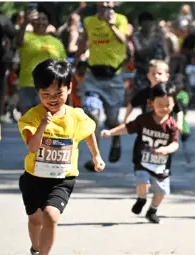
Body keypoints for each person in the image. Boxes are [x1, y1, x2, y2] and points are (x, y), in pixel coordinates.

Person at [18, 59, 105, 255]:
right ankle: (36, 251)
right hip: (34, 177)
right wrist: (43, 126)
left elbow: (88, 132)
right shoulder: (32, 117)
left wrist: (96, 156)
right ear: (38, 92)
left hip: (62, 178)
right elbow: (32, 147)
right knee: (35, 219)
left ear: (69, 88)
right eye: (46, 94)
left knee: (50, 215)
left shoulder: (76, 116)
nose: (52, 99)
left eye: (58, 93)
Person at [100, 83, 179, 224]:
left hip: (161, 164)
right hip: (142, 160)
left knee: (161, 192)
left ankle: (152, 210)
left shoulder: (172, 125)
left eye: (168, 105)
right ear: (151, 103)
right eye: (160, 104)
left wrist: (166, 150)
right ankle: (142, 198)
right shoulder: (144, 119)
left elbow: (175, 143)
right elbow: (127, 128)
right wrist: (111, 132)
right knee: (143, 181)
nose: (164, 108)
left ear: (174, 104)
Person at [76, 1, 130, 168]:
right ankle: (96, 156)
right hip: (93, 76)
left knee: (113, 119)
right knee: (92, 114)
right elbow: (83, 42)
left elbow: (123, 41)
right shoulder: (89, 21)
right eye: (103, 2)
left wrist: (111, 25)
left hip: (114, 77)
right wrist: (75, 63)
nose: (106, 5)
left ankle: (116, 140)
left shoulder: (121, 19)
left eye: (109, 3)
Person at [16, 8, 67, 115]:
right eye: (38, 19)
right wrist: (25, 22)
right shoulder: (26, 36)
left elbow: (64, 64)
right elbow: (18, 42)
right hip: (27, 84)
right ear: (32, 21)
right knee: (27, 123)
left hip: (49, 87)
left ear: (48, 22)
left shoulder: (56, 42)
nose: (40, 22)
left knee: (45, 122)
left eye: (44, 19)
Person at [132, 12, 168, 93]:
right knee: (143, 97)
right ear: (141, 24)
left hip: (158, 73)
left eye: (150, 22)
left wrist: (164, 68)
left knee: (159, 97)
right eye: (145, 23)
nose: (148, 25)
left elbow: (166, 54)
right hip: (142, 73)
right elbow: (141, 52)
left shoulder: (159, 36)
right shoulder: (136, 36)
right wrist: (152, 41)